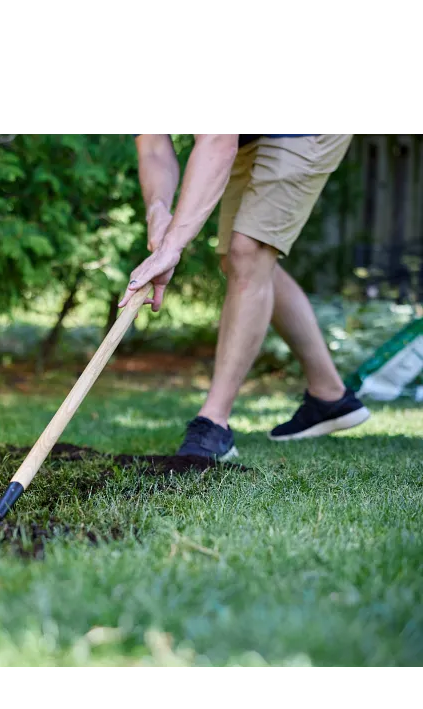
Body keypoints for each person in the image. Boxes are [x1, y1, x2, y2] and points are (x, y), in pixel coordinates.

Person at [118, 129, 371, 461]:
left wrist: (172, 247)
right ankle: (329, 396)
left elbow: (219, 141)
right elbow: (152, 146)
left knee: (247, 252)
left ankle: (215, 422)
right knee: (239, 261)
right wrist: (158, 210)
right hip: (251, 137)